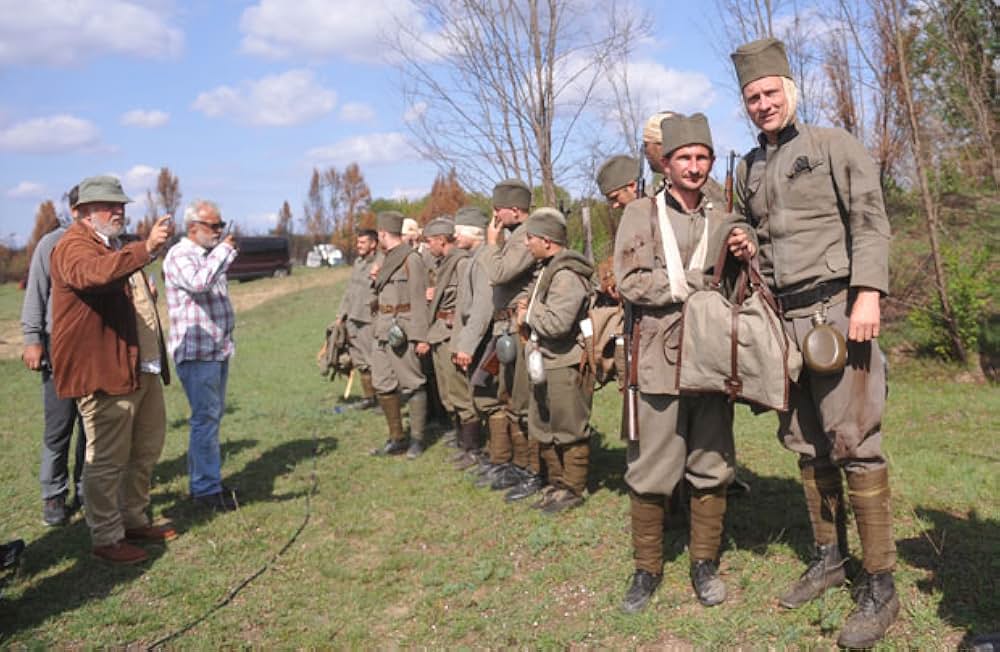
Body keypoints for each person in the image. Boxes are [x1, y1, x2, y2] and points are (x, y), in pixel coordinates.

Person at [730, 37, 897, 648]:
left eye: (770, 93)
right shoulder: (747, 167)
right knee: (808, 444)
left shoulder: (833, 146)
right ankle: (830, 557)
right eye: (752, 97)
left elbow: (870, 221)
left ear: (790, 91)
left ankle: (880, 584)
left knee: (855, 443)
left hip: (837, 314)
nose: (763, 105)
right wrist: (741, 236)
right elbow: (755, 229)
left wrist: (869, 293)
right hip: (782, 322)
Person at [613, 114, 754, 612]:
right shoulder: (640, 215)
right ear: (666, 164)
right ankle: (647, 569)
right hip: (656, 357)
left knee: (712, 466)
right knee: (651, 470)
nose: (693, 167)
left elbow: (742, 284)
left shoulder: (724, 215)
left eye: (702, 158)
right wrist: (689, 286)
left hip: (713, 357)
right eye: (684, 158)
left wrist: (746, 247)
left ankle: (704, 563)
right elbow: (629, 282)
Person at [49, 175, 176, 564]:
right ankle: (106, 536)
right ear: (81, 213)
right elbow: (94, 276)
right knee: (106, 459)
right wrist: (146, 249)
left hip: (141, 367)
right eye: (108, 205)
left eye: (120, 204)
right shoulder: (72, 246)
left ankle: (134, 519)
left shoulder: (115, 244)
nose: (118, 210)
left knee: (146, 449)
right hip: (105, 372)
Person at [163, 199, 239, 512]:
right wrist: (224, 251)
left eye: (222, 225)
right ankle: (206, 489)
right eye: (214, 226)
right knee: (205, 420)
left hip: (216, 350)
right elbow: (199, 283)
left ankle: (208, 481)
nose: (220, 231)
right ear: (193, 228)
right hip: (197, 354)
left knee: (210, 418)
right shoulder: (181, 255)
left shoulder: (206, 255)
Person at [517, 208, 595, 513]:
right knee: (544, 425)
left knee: (569, 428)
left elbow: (557, 324)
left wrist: (527, 314)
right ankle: (557, 483)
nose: (526, 244)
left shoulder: (566, 275)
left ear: (548, 241)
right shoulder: (546, 269)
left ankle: (573, 489)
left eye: (531, 238)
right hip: (544, 360)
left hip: (563, 362)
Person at [20, 184, 87, 526]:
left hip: (95, 351)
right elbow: (36, 294)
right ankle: (53, 495)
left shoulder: (106, 245)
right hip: (58, 348)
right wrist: (32, 339)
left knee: (94, 427)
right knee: (60, 426)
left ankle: (87, 488)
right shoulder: (52, 244)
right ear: (74, 211)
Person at [475, 179, 543, 500]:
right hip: (505, 328)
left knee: (523, 401)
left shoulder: (526, 237)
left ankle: (534, 469)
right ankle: (518, 464)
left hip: (519, 329)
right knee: (509, 398)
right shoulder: (515, 237)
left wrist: (491, 243)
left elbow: (499, 274)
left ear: (515, 210)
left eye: (498, 208)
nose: (494, 214)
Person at [370, 211, 431, 459]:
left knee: (413, 383)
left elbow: (418, 298)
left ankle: (417, 439)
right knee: (383, 384)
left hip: (403, 327)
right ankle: (396, 437)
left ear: (383, 233)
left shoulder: (410, 259)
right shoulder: (384, 259)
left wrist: (421, 337)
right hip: (383, 327)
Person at [424, 217, 480, 452]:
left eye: (430, 242)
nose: (428, 246)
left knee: (460, 394)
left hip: (452, 333)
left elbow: (469, 303)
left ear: (440, 240)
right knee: (448, 394)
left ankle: (472, 447)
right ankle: (460, 439)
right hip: (439, 333)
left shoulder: (461, 264)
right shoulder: (443, 264)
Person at [450, 206, 492, 469]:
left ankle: (480, 451)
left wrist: (466, 345)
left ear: (473, 233)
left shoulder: (482, 261)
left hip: (480, 340)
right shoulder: (473, 259)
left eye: (458, 232)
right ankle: (474, 449)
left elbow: (480, 308)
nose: (454, 238)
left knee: (485, 398)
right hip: (470, 336)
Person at [335, 229, 382, 409]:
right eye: (358, 242)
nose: (358, 246)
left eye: (362, 242)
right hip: (353, 318)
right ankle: (369, 398)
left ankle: (382, 399)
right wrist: (341, 315)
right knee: (360, 361)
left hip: (369, 319)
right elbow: (349, 291)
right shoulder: (358, 262)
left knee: (374, 361)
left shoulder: (381, 262)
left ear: (373, 243)